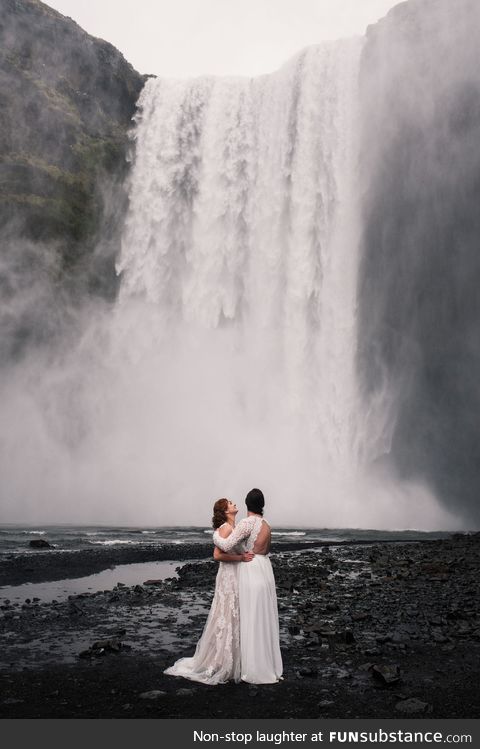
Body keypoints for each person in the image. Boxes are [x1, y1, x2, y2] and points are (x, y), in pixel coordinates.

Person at [164, 498, 253, 684]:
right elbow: (217, 555)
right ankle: (223, 661)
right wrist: (241, 558)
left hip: (234, 574)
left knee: (232, 614)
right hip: (229, 575)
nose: (234, 503)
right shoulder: (226, 528)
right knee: (228, 614)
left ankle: (233, 657)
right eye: (230, 503)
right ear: (225, 510)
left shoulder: (230, 527)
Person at [213, 488, 283, 684]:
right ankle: (268, 665)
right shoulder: (267, 524)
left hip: (252, 568)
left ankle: (253, 668)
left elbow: (226, 545)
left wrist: (214, 536)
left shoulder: (246, 523)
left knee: (251, 617)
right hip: (265, 568)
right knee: (264, 618)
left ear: (246, 504)